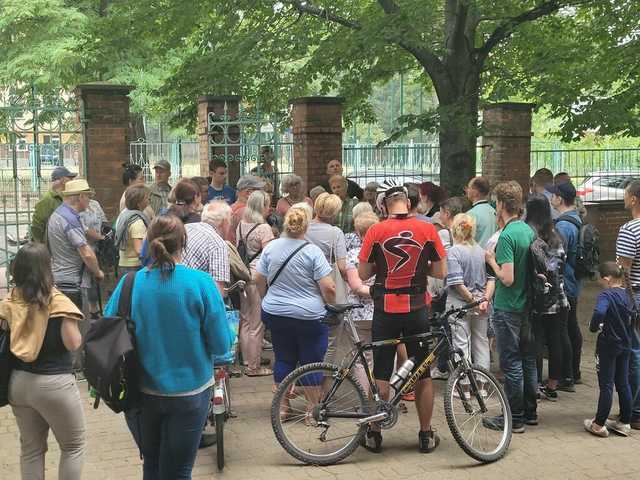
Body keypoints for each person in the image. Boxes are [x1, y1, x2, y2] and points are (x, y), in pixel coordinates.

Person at [104, 215, 233, 479]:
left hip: (139, 393)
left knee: (151, 464)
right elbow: (221, 343)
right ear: (183, 243)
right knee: (179, 470)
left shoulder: (129, 284)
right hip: (190, 393)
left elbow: (107, 330)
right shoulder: (201, 283)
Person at [358, 182, 446, 453]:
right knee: (422, 373)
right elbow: (441, 271)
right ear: (408, 203)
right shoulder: (427, 229)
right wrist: (420, 271)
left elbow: (362, 274)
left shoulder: (376, 230)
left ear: (384, 205)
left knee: (382, 371)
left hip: (385, 310)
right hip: (417, 309)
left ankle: (374, 434)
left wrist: (382, 269)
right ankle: (425, 434)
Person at [1, 243, 85, 480]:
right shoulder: (58, 302)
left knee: (31, 450)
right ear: (48, 268)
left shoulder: (11, 300)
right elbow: (73, 343)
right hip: (54, 385)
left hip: (18, 383)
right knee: (73, 446)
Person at [254, 207, 336, 401]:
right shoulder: (313, 251)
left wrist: (265, 297)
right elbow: (329, 287)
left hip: (276, 313)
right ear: (305, 226)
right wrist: (331, 306)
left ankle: (282, 409)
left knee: (283, 357)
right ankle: (311, 411)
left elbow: (257, 278)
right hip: (309, 316)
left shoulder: (271, 248)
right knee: (312, 361)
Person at [485, 181, 537, 433]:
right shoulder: (527, 230)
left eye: (496, 203)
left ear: (502, 205)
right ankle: (530, 412)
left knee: (511, 362)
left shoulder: (507, 236)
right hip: (527, 304)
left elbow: (507, 278)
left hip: (508, 306)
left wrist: (492, 261)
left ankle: (514, 417)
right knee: (527, 359)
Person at [524, 194, 570, 401]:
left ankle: (535, 385)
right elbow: (559, 265)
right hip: (559, 296)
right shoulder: (556, 236)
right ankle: (552, 385)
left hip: (539, 297)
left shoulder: (531, 236)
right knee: (556, 340)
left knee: (537, 340)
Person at [584, 262, 637, 437]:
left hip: (608, 346)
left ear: (607, 279)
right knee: (623, 383)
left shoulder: (606, 295)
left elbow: (599, 312)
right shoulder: (628, 294)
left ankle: (599, 424)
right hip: (626, 344)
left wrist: (594, 326)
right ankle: (625, 422)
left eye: (600, 279)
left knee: (606, 384)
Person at [446, 214, 494, 380]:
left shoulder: (453, 252)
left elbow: (458, 284)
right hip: (482, 305)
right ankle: (482, 385)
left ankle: (464, 385)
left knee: (461, 344)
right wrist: (484, 300)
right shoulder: (482, 252)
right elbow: (491, 279)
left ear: (454, 230)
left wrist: (472, 302)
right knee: (481, 342)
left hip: (460, 305)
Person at [47, 179, 104, 310]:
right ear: (80, 197)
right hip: (73, 282)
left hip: (60, 278)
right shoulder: (70, 219)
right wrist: (97, 272)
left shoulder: (58, 214)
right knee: (79, 327)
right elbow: (87, 253)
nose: (90, 200)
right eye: (88, 196)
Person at [236, 190, 275, 376]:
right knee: (257, 323)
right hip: (257, 277)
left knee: (245, 319)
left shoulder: (241, 225)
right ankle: (254, 366)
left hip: (242, 275)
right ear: (262, 206)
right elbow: (270, 256)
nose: (270, 208)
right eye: (268, 204)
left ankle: (247, 359)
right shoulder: (264, 228)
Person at [549, 181, 583, 391]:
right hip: (575, 281)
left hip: (565, 284)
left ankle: (566, 375)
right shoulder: (577, 219)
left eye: (554, 195)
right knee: (571, 327)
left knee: (562, 331)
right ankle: (575, 371)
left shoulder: (563, 225)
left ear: (560, 198)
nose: (551, 198)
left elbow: (557, 257)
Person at [345, 212, 379, 391]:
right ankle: (383, 398)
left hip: (357, 313)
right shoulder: (383, 253)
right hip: (382, 311)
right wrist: (382, 293)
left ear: (358, 232)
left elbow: (357, 287)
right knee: (384, 356)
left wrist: (371, 291)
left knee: (362, 359)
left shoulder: (352, 255)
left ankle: (365, 399)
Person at [617, 180, 640, 430]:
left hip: (635, 295)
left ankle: (634, 410)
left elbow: (624, 270)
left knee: (633, 352)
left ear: (633, 199)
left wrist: (627, 301)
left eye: (626, 195)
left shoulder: (630, 230)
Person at [182, 203, 230, 296]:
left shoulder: (185, 227)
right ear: (224, 222)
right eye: (229, 221)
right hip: (189, 295)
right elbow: (217, 291)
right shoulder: (217, 244)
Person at [78, 197, 107, 318]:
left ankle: (94, 309)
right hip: (83, 246)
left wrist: (104, 236)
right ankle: (85, 311)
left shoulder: (95, 204)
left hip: (97, 247)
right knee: (85, 279)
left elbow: (104, 220)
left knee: (95, 280)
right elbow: (83, 229)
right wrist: (99, 237)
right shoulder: (77, 209)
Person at [31, 166, 77, 243]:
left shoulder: (66, 197)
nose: (72, 180)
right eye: (70, 178)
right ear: (63, 180)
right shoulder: (47, 200)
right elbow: (37, 226)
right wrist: (39, 245)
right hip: (52, 245)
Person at [115, 184, 151, 278]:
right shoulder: (137, 222)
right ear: (139, 203)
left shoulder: (124, 216)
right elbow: (139, 250)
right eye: (147, 198)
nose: (149, 200)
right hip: (134, 266)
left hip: (123, 263)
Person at [229, 175, 266, 244]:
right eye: (259, 190)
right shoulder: (246, 212)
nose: (263, 193)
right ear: (248, 193)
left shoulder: (231, 208)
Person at [465, 176, 497, 248]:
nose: (467, 190)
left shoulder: (471, 214)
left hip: (476, 256)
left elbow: (465, 240)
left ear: (475, 192)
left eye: (469, 187)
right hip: (491, 255)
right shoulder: (494, 211)